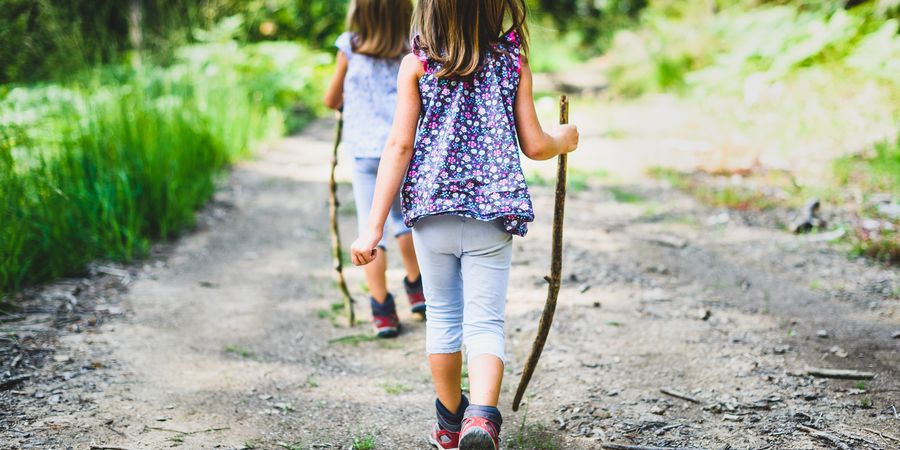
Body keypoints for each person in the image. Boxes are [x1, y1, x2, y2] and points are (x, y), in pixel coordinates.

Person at [349, 0, 580, 448]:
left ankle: (451, 423)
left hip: (431, 213)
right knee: (485, 323)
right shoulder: (513, 62)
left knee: (443, 319)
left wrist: (373, 227)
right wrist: (563, 140)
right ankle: (481, 419)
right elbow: (534, 145)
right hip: (491, 213)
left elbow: (399, 146)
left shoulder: (415, 66)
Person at [323, 0, 423, 338]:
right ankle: (417, 286)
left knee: (371, 228)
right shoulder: (414, 49)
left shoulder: (349, 47)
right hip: (403, 148)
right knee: (403, 221)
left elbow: (331, 99)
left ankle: (382, 309)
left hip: (365, 152)